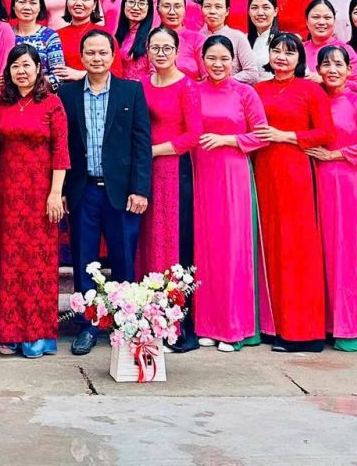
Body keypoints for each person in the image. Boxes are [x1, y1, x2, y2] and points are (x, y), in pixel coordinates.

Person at [61, 28, 152, 357]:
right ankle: (88, 325)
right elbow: (62, 146)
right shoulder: (67, 94)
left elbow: (141, 143)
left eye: (103, 53)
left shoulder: (131, 91)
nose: (97, 58)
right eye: (91, 53)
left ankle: (125, 323)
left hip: (122, 191)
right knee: (84, 260)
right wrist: (61, 189)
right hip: (83, 190)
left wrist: (140, 189)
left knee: (123, 257)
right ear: (81, 56)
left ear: (113, 56)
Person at [251, 32, 333, 352]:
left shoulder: (311, 90)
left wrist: (284, 136)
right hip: (262, 173)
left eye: (289, 52)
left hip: (295, 174)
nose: (282, 57)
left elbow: (325, 132)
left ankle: (303, 332)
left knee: (297, 249)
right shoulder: (258, 89)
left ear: (300, 58)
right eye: (276, 51)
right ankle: (272, 325)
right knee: (268, 246)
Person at [0, 43, 70, 359]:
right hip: (10, 193)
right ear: (8, 71)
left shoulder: (52, 104)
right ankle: (9, 333)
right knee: (10, 262)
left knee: (38, 262)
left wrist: (55, 193)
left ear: (38, 69)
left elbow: (60, 152)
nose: (21, 71)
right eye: (15, 66)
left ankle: (37, 334)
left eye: (27, 65)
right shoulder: (2, 104)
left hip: (41, 193)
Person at [193, 35, 267, 350]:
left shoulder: (245, 93)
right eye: (212, 58)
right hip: (201, 175)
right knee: (206, 250)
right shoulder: (193, 91)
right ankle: (208, 325)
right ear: (202, 60)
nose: (218, 64)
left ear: (234, 62)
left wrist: (228, 140)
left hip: (233, 175)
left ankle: (235, 327)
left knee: (233, 248)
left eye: (225, 58)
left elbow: (262, 134)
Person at [137, 26, 203, 351]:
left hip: (174, 170)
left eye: (167, 48)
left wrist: (153, 150)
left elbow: (193, 135)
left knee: (173, 242)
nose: (161, 53)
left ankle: (175, 322)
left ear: (177, 51)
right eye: (155, 48)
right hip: (145, 173)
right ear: (147, 51)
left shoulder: (187, 86)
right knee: (148, 241)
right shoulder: (141, 85)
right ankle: (145, 317)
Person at [310, 44, 357, 351]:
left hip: (346, 182)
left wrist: (334, 155)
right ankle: (323, 323)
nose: (332, 70)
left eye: (339, 64)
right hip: (314, 181)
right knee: (319, 251)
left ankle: (349, 327)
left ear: (350, 70)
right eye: (326, 64)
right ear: (318, 70)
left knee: (346, 250)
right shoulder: (314, 98)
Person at [197, 0, 263, 84]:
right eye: (207, 6)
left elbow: (252, 73)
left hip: (232, 90)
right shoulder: (195, 38)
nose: (212, 11)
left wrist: (223, 81)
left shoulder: (237, 37)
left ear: (227, 11)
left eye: (218, 7)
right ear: (201, 9)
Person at [8, 0, 65, 89]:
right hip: (10, 96)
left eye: (33, 3)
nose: (27, 7)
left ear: (40, 7)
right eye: (22, 2)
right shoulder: (6, 34)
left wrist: (30, 82)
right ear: (13, 6)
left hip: (42, 95)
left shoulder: (50, 36)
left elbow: (59, 78)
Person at [304, 0, 357, 92]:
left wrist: (325, 80)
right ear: (306, 21)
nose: (322, 22)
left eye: (327, 18)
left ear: (334, 21)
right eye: (316, 17)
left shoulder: (345, 50)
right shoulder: (298, 49)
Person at [54, 0, 105, 83]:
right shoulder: (55, 36)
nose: (78, 3)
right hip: (63, 90)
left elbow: (116, 73)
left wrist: (82, 75)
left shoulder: (104, 35)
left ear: (94, 4)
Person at [153, 0, 204, 79]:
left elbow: (207, 77)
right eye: (166, 6)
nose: (172, 12)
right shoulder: (151, 38)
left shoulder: (198, 39)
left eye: (177, 6)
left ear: (185, 9)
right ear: (157, 9)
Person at [113, 0, 156, 80]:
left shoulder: (153, 37)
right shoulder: (117, 35)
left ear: (149, 8)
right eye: (131, 2)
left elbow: (156, 74)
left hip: (142, 88)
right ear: (124, 4)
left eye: (142, 3)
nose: (136, 7)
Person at [242, 0, 280, 82]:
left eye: (266, 7)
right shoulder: (242, 40)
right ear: (248, 11)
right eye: (254, 8)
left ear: (275, 11)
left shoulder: (286, 40)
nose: (260, 13)